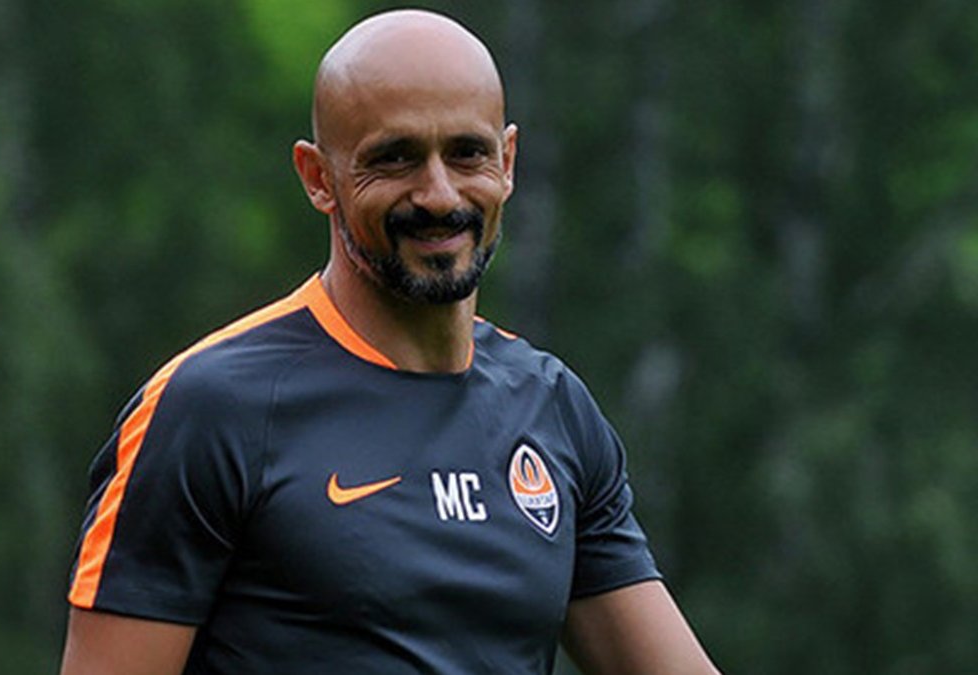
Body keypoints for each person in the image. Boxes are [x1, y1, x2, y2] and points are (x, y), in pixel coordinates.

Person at [60, 8, 720, 675]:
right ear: (318, 177)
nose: (438, 194)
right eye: (395, 158)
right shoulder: (210, 408)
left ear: (508, 162)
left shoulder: (552, 408)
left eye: (467, 153)